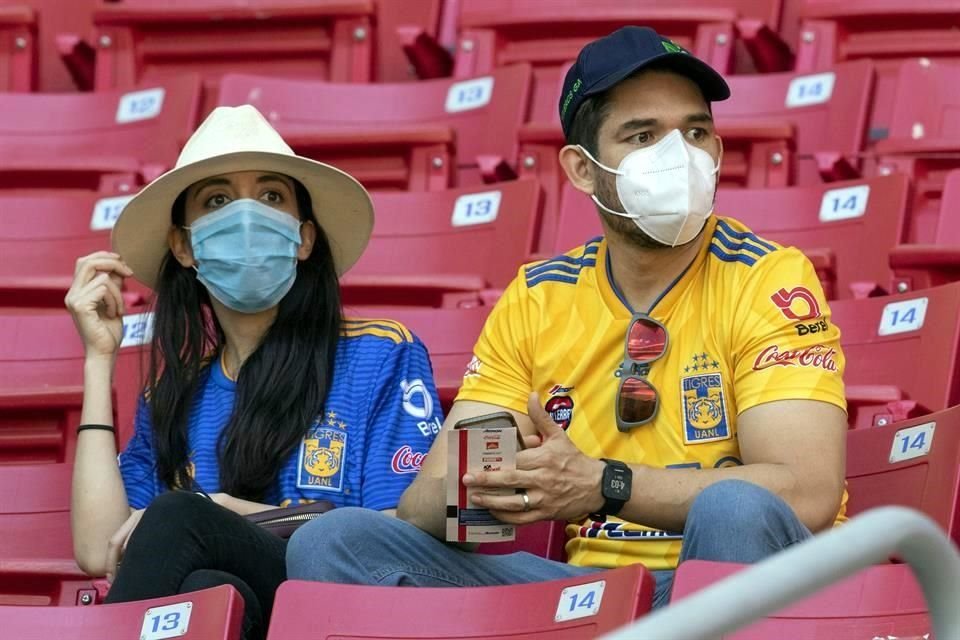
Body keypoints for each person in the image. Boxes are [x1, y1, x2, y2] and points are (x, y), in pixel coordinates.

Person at [285, 26, 848, 609]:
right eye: (642, 135)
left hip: (725, 584)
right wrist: (494, 485)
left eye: (696, 131)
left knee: (736, 508)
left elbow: (806, 492)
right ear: (582, 170)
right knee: (334, 542)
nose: (677, 156)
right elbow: (429, 505)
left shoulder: (768, 276)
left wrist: (602, 483)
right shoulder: (539, 297)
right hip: (591, 596)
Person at [66, 105, 440, 639]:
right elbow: (96, 547)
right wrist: (98, 360)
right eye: (217, 200)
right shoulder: (177, 391)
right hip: (260, 616)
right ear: (185, 246)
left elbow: (405, 533)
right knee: (209, 585)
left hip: (348, 607)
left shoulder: (380, 355)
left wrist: (222, 512)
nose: (247, 218)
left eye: (270, 197)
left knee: (179, 518)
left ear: (304, 238)